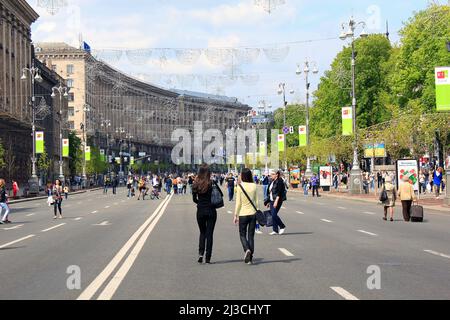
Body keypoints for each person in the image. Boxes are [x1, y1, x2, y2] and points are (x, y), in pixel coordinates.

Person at [193, 165, 222, 264]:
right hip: (211, 211)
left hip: (200, 210)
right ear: (208, 173)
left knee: (202, 233)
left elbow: (194, 199)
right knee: (209, 234)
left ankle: (200, 254)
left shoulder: (196, 184)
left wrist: (200, 203)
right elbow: (219, 195)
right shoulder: (212, 183)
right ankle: (208, 257)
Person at [234, 168, 259, 265]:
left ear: (242, 176)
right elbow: (257, 202)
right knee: (251, 236)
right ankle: (250, 258)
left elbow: (238, 203)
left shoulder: (240, 186)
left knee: (242, 234)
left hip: (243, 214)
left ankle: (247, 250)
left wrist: (235, 215)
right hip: (253, 214)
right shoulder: (254, 185)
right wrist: (257, 213)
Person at [265, 170, 286, 236]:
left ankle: (282, 226)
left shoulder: (280, 181)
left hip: (277, 200)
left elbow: (280, 192)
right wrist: (268, 201)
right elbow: (269, 192)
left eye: (273, 174)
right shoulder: (272, 181)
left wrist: (276, 201)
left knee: (274, 214)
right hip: (271, 200)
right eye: (271, 174)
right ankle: (275, 230)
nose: (271, 175)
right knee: (273, 215)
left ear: (277, 174)